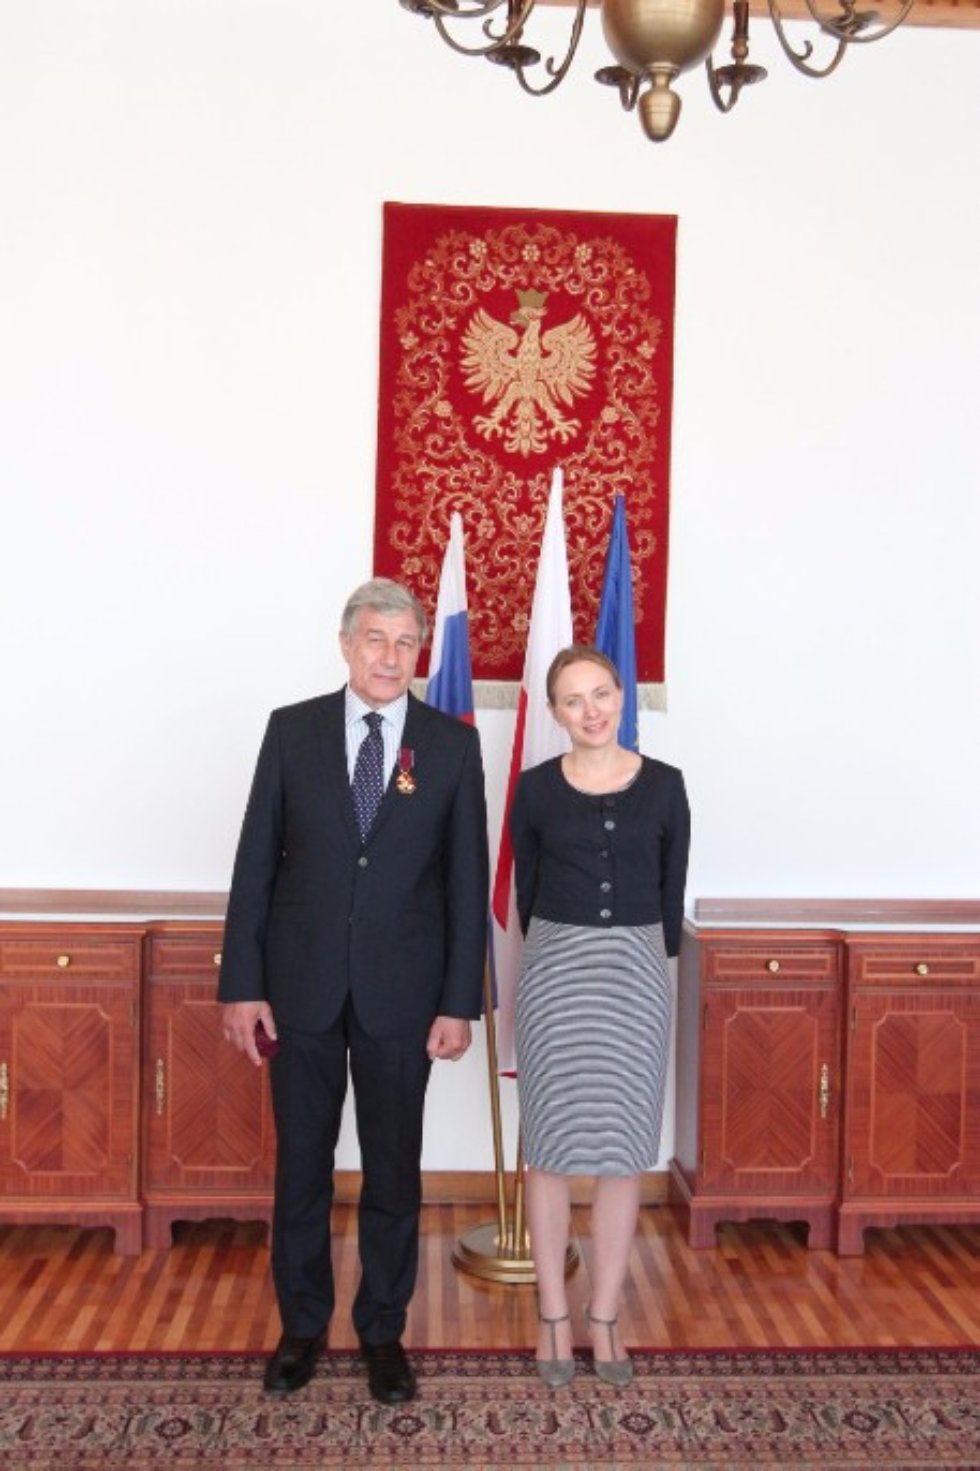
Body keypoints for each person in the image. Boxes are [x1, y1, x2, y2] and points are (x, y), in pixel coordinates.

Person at [218, 577, 489, 1404]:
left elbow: (465, 880)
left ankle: (383, 1331)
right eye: (376, 638)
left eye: (407, 643)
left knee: (394, 1173)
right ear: (345, 643)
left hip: (403, 997)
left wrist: (457, 1000)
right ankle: (302, 1326)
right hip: (297, 990)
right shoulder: (291, 731)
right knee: (301, 1167)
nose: (391, 655)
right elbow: (256, 864)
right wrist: (242, 984)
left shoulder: (448, 744)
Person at [510, 644, 689, 1389]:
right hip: (556, 970)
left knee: (623, 1151)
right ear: (554, 712)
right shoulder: (534, 790)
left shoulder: (669, 786)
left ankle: (606, 1311)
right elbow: (527, 891)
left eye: (602, 693)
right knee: (549, 1144)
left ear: (624, 697)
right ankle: (554, 1310)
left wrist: (637, 954)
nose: (592, 709)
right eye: (574, 699)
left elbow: (670, 885)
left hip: (638, 974)